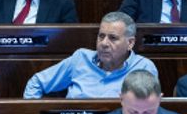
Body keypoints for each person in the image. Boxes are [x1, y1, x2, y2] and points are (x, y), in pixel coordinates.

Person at [23, 11, 158, 98]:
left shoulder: (144, 68)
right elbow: (36, 83)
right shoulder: (80, 59)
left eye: (113, 38)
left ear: (130, 43)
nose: (104, 43)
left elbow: (148, 109)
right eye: (101, 36)